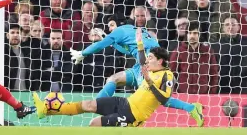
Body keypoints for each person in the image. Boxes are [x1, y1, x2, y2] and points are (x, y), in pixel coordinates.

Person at [68, 24, 204, 127]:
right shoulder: (129, 31)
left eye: (111, 26)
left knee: (155, 95)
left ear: (116, 27)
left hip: (148, 63)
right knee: (113, 79)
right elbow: (126, 49)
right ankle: (101, 107)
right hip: (141, 64)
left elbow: (100, 45)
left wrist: (82, 53)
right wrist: (108, 38)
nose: (110, 29)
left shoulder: (119, 32)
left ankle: (191, 108)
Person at [33, 44, 172, 127]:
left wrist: (148, 82)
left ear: (160, 61)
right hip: (125, 102)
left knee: (94, 124)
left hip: (132, 116)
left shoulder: (167, 76)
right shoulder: (150, 70)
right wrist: (140, 43)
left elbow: (164, 99)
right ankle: (45, 111)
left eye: (151, 58)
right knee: (88, 104)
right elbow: (142, 60)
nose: (147, 61)